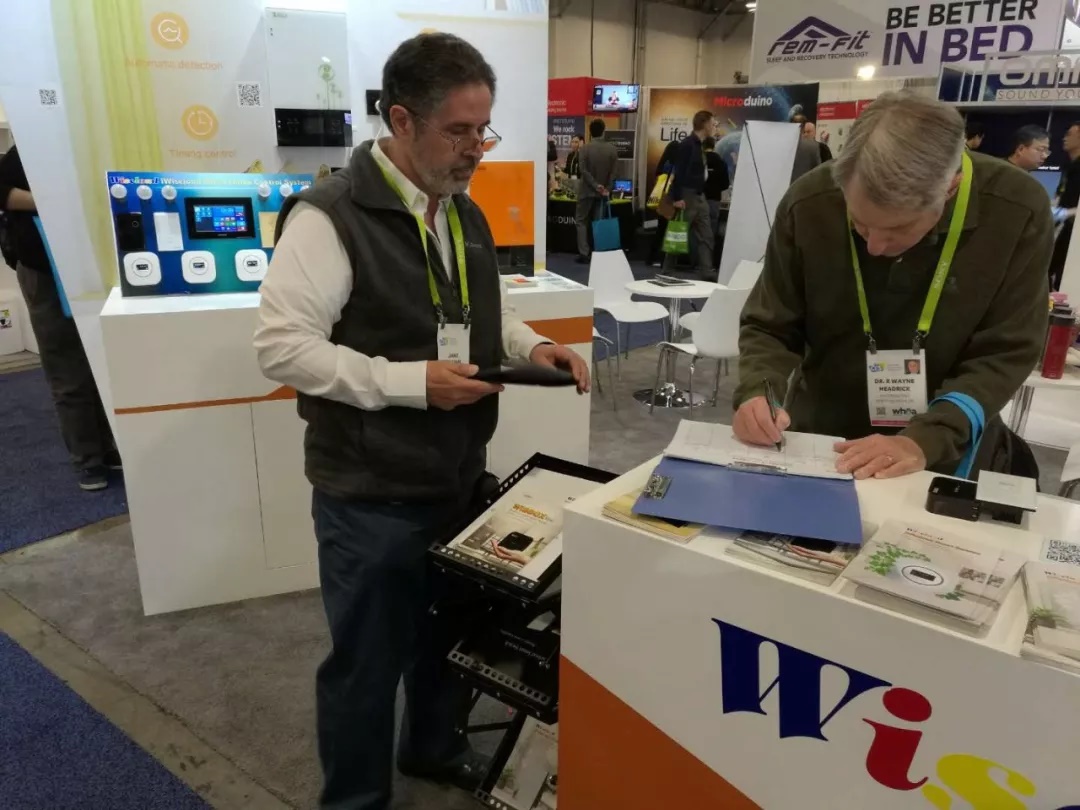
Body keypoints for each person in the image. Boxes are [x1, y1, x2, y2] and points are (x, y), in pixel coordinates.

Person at [253, 33, 589, 810]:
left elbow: (481, 315)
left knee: (447, 639)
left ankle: (433, 749)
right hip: (368, 494)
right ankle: (354, 801)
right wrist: (411, 384)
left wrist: (533, 346)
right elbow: (281, 348)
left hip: (456, 477)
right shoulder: (330, 217)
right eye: (458, 131)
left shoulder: (461, 212)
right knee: (365, 666)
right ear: (401, 120)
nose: (475, 149)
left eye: (483, 130)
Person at [734, 92, 1051, 481]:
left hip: (942, 451)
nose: (875, 246)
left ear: (950, 188)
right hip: (820, 440)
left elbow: (1006, 350)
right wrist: (758, 391)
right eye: (859, 223)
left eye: (898, 228)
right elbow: (770, 323)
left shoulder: (1017, 209)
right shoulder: (810, 201)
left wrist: (926, 439)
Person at [0, 144, 119, 491]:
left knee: (100, 360)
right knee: (66, 367)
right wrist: (51, 203)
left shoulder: (85, 138)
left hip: (93, 263)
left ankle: (108, 446)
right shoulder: (28, 145)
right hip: (44, 267)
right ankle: (88, 458)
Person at [665, 110, 717, 279]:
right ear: (705, 124)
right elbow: (678, 172)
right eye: (713, 123)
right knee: (678, 233)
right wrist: (677, 198)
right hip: (687, 195)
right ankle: (667, 271)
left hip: (700, 196)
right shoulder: (687, 145)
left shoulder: (700, 145)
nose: (714, 127)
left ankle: (707, 272)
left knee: (706, 235)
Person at [574, 118, 617, 264]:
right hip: (602, 193)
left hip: (586, 191)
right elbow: (613, 173)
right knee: (598, 222)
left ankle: (584, 253)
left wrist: (595, 185)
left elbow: (583, 170)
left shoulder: (584, 149)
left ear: (590, 132)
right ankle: (598, 251)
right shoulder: (612, 149)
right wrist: (606, 189)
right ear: (603, 131)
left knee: (581, 221)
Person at [1049, 121, 1080, 290]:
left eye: (1069, 134)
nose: (1064, 138)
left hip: (1073, 232)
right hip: (1063, 227)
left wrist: (1068, 213)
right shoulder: (1071, 167)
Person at [702, 136, 730, 272]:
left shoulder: (699, 160)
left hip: (699, 198)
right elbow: (725, 184)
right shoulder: (721, 162)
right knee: (711, 231)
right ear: (714, 146)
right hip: (714, 200)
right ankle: (709, 264)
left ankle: (694, 262)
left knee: (696, 230)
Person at [790, 113, 822, 182]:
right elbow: (818, 170)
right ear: (804, 126)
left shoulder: (781, 144)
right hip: (805, 185)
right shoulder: (813, 146)